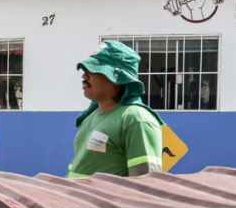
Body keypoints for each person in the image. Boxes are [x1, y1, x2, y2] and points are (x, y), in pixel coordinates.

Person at [67, 40, 165, 179]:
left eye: (93, 71)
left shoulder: (136, 119)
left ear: (118, 78)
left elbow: (144, 186)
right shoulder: (90, 117)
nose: (84, 76)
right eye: (84, 71)